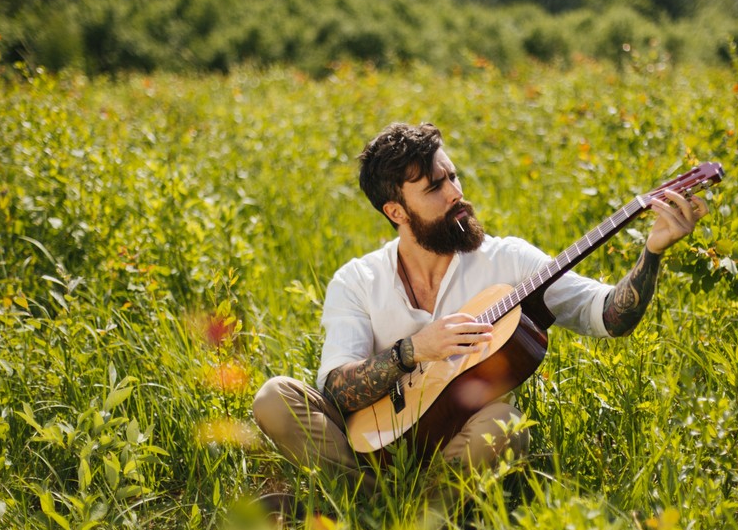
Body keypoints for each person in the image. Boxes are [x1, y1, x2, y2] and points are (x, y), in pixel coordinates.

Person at [253, 122, 707, 496]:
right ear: (396, 211)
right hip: (369, 442)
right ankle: (373, 499)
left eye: (453, 177)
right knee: (275, 398)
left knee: (505, 425)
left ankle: (414, 510)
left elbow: (610, 315)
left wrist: (653, 252)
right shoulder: (358, 280)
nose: (456, 194)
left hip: (455, 443)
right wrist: (411, 351)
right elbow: (336, 392)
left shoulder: (507, 261)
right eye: (435, 187)